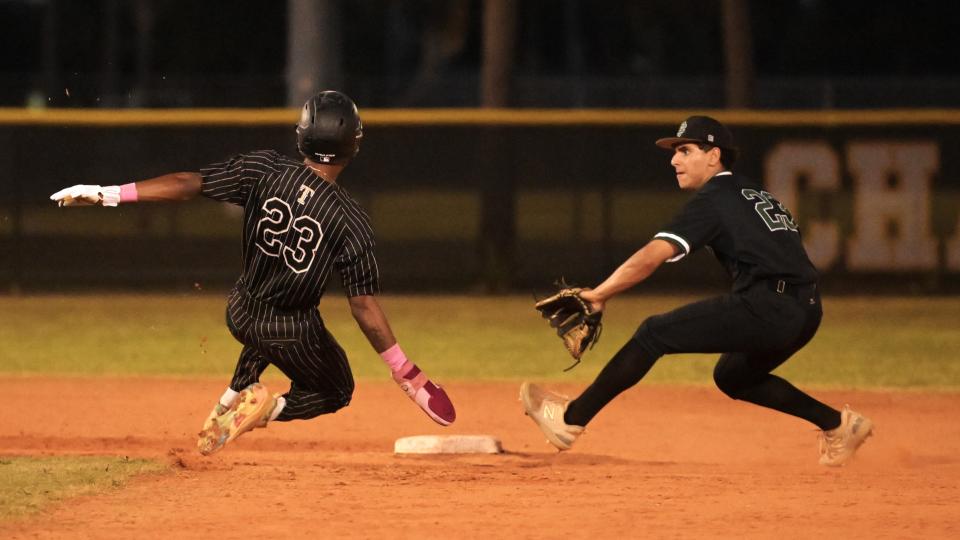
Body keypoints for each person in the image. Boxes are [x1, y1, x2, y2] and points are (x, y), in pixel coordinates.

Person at [50, 90, 456, 455]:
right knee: (337, 389)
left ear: (302, 135)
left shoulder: (264, 168)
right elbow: (363, 307)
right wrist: (407, 373)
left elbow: (188, 182)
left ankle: (229, 401)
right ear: (354, 145)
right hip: (290, 329)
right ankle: (265, 410)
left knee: (268, 323)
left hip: (241, 312)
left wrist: (107, 194)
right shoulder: (351, 220)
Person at [520, 116, 872, 466]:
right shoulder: (751, 192)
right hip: (807, 310)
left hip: (770, 305)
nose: (674, 160)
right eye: (675, 152)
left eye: (685, 150)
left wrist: (599, 294)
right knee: (734, 376)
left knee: (653, 333)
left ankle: (570, 420)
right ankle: (838, 426)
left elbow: (651, 256)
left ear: (713, 155)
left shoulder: (715, 198)